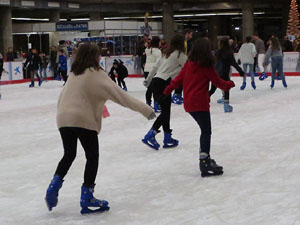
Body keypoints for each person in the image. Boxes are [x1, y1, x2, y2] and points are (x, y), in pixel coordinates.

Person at [45, 43, 155, 214]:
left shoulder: (74, 74)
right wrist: (146, 110)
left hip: (63, 118)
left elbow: (63, 98)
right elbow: (121, 96)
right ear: (94, 58)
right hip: (82, 119)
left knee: (69, 154)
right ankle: (87, 196)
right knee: (92, 157)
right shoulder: (97, 74)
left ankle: (54, 185)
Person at [162, 38, 235, 177]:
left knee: (204, 130)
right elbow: (219, 83)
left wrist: (166, 91)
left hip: (189, 103)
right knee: (206, 131)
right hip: (200, 103)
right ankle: (204, 161)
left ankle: (205, 158)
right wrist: (230, 84)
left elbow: (177, 80)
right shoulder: (206, 66)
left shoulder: (189, 64)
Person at [142, 34, 187, 150]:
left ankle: (167, 137)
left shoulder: (166, 54)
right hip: (164, 83)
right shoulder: (179, 54)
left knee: (166, 111)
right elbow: (189, 67)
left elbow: (155, 68)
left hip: (156, 82)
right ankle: (151, 134)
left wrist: (148, 80)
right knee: (165, 112)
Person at [209, 38, 244, 113]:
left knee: (212, 89)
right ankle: (226, 106)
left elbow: (212, 63)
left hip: (216, 73)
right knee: (226, 88)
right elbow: (234, 63)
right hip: (224, 73)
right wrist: (240, 71)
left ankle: (204, 100)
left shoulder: (217, 52)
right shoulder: (229, 52)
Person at [172, 29, 193, 105]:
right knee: (180, 79)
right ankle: (176, 95)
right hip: (179, 64)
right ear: (187, 34)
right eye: (190, 34)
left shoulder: (185, 42)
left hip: (181, 63)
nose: (191, 36)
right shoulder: (183, 42)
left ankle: (178, 94)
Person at [144, 37, 162, 111]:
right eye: (160, 42)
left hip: (146, 70)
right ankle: (156, 105)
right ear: (157, 42)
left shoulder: (147, 50)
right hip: (154, 71)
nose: (161, 43)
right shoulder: (157, 51)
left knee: (149, 88)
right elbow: (159, 62)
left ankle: (148, 103)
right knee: (156, 89)